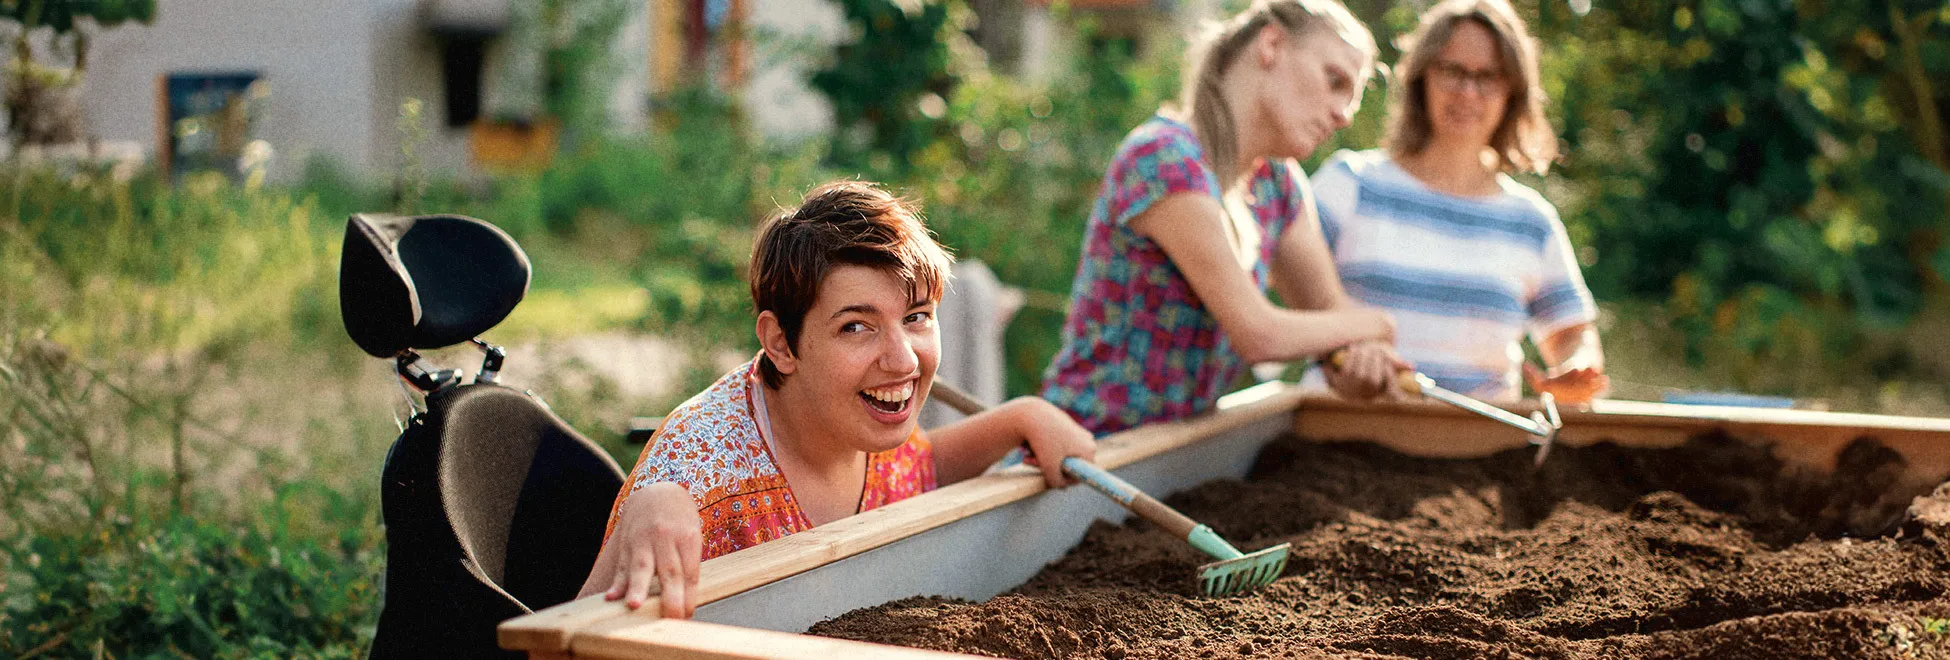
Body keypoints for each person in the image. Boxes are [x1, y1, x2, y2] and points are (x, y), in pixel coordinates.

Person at [579, 181, 1098, 619]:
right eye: (856, 327)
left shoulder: (859, 417)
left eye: (916, 317)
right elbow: (567, 640)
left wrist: (1019, 418)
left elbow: (917, 470)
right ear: (781, 343)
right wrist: (650, 502)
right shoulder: (696, 479)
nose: (902, 361)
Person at [1039, 0, 1409, 434]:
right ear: (1271, 45)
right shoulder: (1163, 158)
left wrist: (1358, 361)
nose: (1344, 115)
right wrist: (1376, 325)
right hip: (1081, 453)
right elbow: (1259, 335)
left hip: (1184, 457)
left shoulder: (1278, 185)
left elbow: (1330, 315)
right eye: (1335, 81)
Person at [1307, 0, 1606, 404]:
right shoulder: (1350, 183)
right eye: (1452, 71)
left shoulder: (1531, 220)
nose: (1468, 91)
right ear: (1420, 77)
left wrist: (1575, 366)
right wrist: (1340, 353)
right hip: (1342, 439)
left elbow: (1572, 335)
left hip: (1481, 452)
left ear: (1512, 93)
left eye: (1488, 77)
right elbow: (1283, 291)